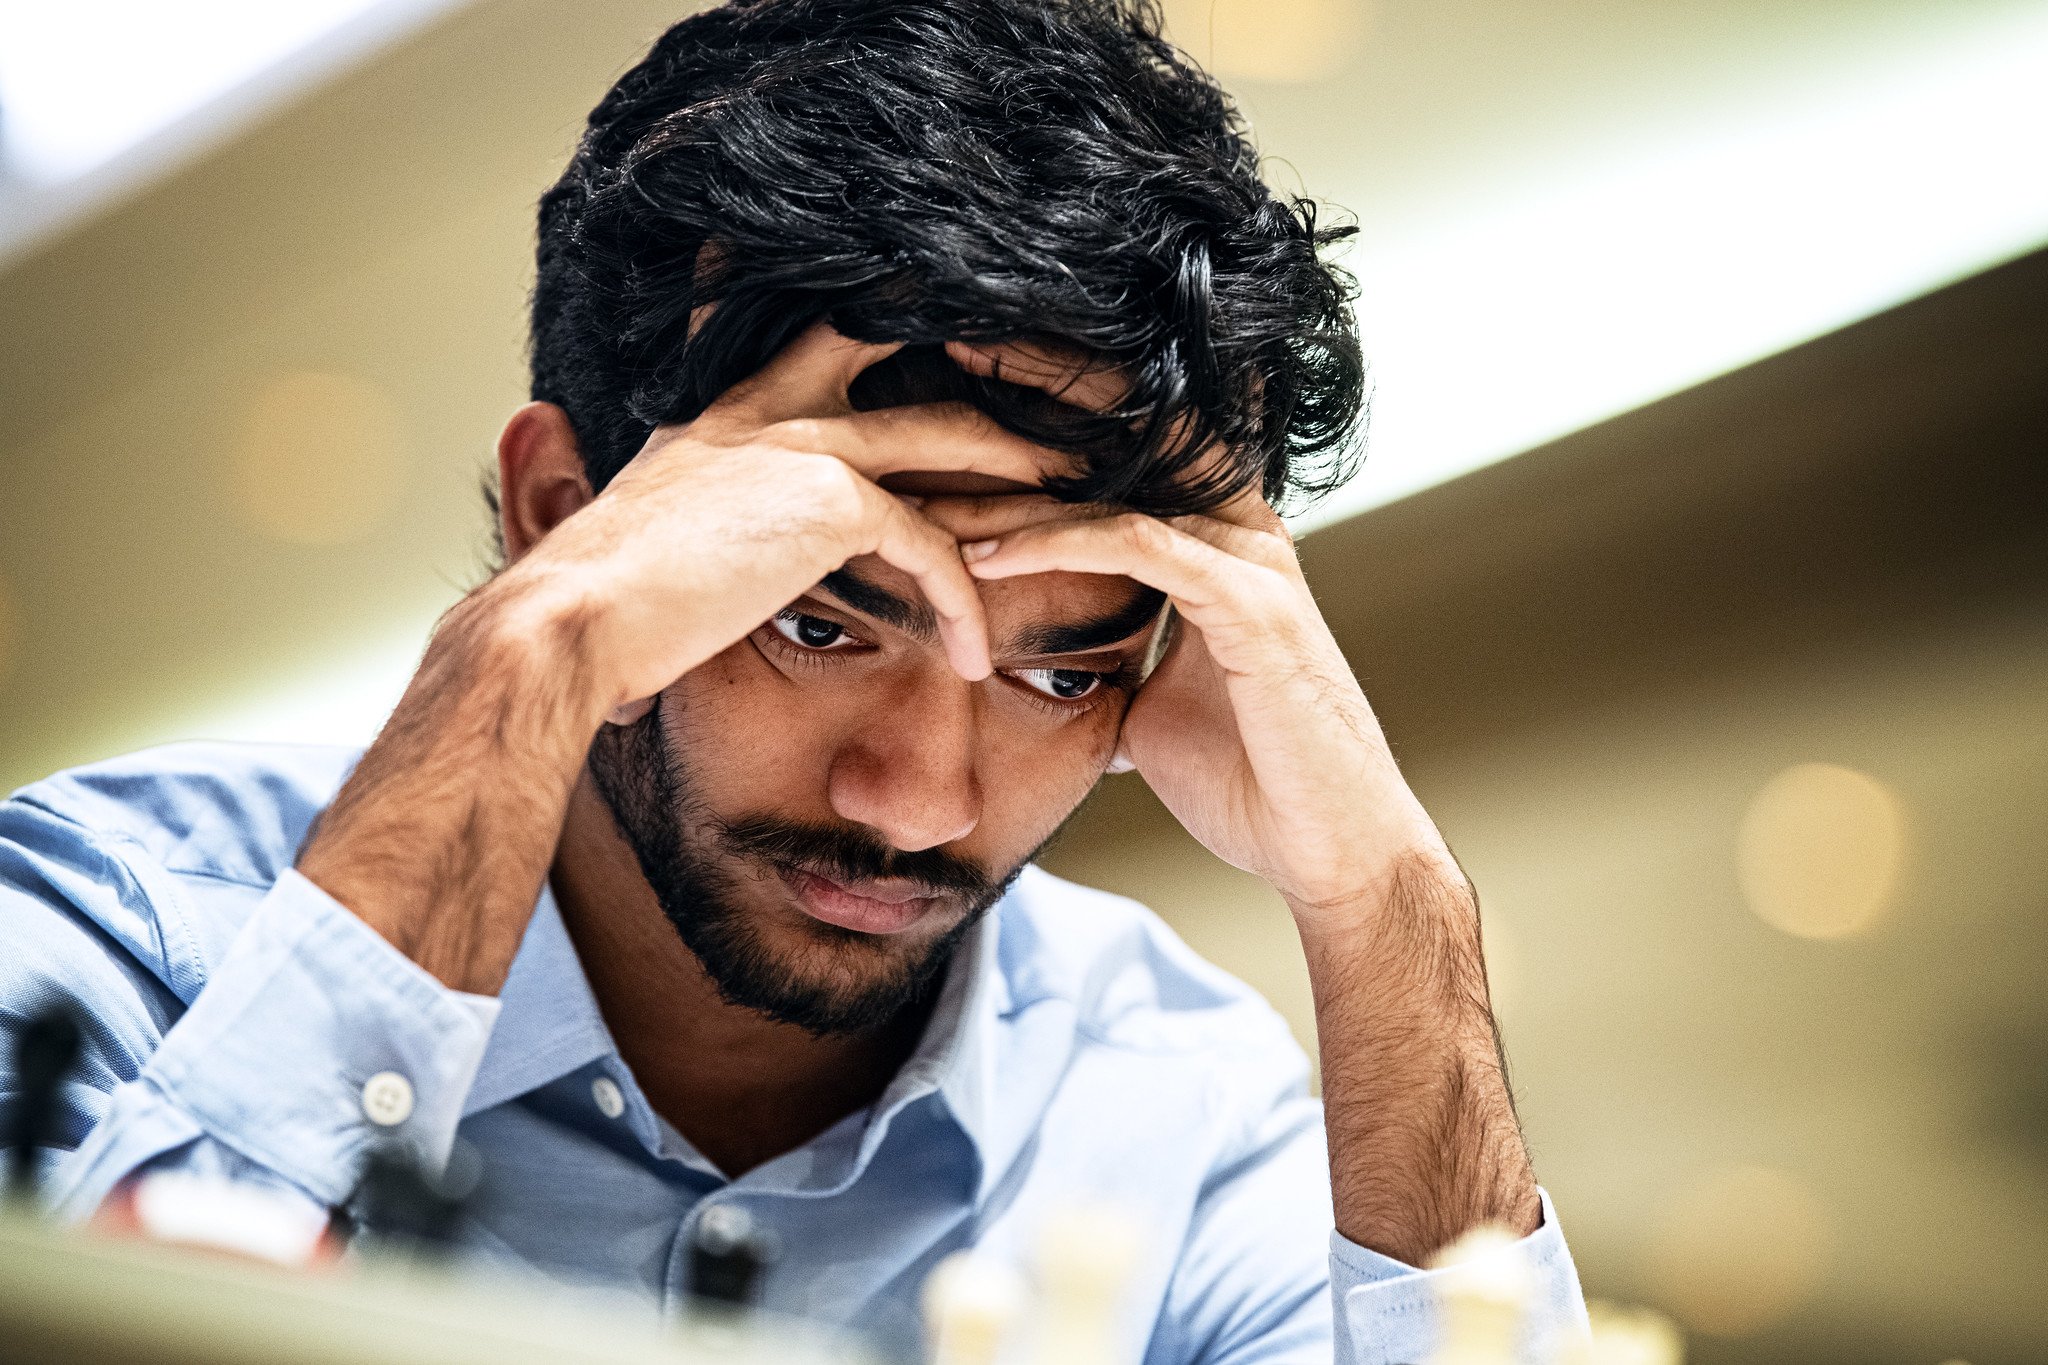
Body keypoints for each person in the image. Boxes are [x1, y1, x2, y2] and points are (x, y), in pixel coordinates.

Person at [0, 1, 1585, 1361]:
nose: (925, 798)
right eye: (822, 622)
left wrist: (1392, 906)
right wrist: (522, 655)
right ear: (565, 515)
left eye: (1059, 672)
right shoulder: (102, 932)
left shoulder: (1183, 1113)